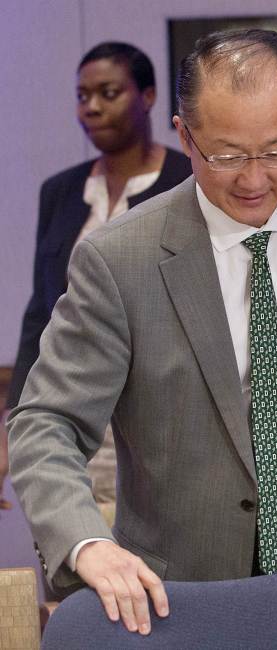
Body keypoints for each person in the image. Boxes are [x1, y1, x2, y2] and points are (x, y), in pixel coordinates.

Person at [9, 28, 277, 636]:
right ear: (184, 135)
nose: (255, 179)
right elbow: (45, 421)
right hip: (179, 585)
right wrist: (85, 543)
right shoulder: (120, 258)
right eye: (228, 155)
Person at [0, 42, 191, 512]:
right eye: (82, 96)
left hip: (166, 425)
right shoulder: (62, 191)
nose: (92, 108)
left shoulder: (188, 180)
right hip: (72, 416)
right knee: (74, 566)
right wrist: (11, 428)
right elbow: (39, 316)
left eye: (108, 92)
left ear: (147, 96)